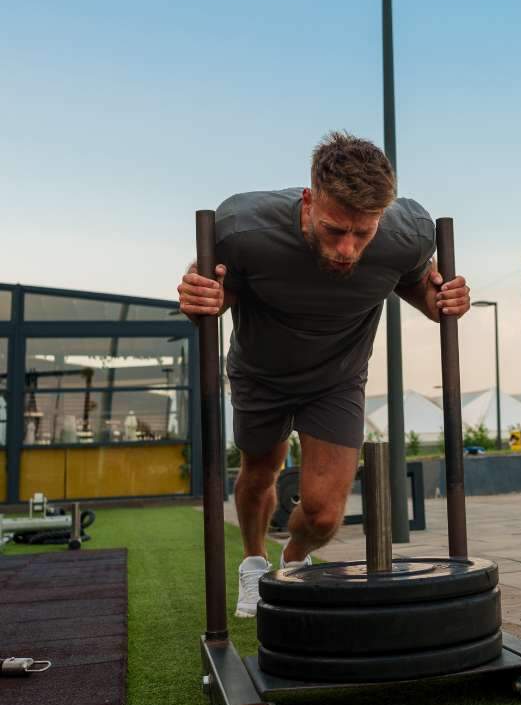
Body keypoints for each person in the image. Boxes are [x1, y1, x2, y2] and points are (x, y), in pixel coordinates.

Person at [178, 131, 471, 617]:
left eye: (363, 234)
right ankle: (253, 561)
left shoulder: (410, 233)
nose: (347, 249)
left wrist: (444, 300)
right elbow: (217, 293)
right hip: (260, 374)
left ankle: (293, 560)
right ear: (309, 200)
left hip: (337, 379)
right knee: (260, 473)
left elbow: (419, 283)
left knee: (323, 513)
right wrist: (199, 296)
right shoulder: (243, 227)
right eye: (335, 231)